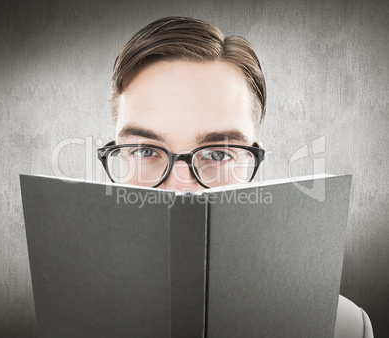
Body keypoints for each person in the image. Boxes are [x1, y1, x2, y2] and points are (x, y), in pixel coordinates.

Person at [99, 16, 373, 337]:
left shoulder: (344, 327)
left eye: (217, 154)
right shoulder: (71, 311)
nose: (180, 188)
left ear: (252, 164)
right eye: (146, 151)